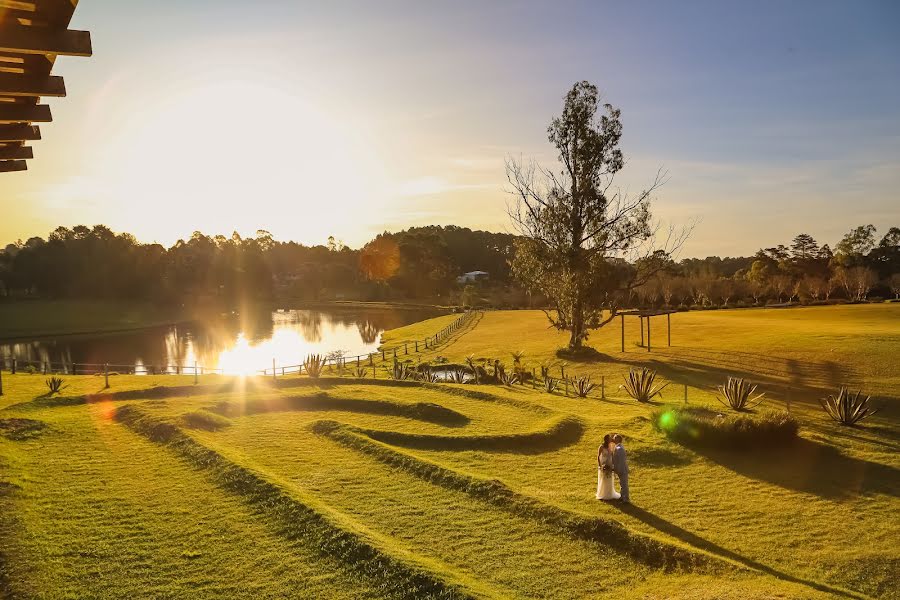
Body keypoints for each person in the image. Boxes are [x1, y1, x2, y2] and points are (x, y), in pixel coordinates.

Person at [596, 434, 620, 500]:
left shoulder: (610, 446)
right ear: (606, 439)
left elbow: (612, 455)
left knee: (609, 478)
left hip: (609, 463)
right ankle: (603, 493)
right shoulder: (601, 447)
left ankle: (609, 493)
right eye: (609, 438)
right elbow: (598, 456)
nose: (610, 439)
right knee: (603, 478)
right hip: (603, 464)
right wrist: (600, 465)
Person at [612, 433, 630, 503]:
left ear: (618, 439)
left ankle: (626, 499)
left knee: (624, 484)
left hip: (622, 469)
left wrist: (618, 469)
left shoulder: (619, 449)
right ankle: (622, 497)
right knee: (622, 484)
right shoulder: (617, 447)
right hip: (620, 469)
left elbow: (621, 461)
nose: (613, 439)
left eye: (615, 438)